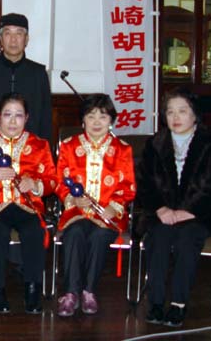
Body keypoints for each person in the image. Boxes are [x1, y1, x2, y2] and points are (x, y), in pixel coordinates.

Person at [138, 87, 211, 328]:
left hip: (198, 215)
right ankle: (156, 303)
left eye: (182, 111)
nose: (175, 117)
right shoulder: (155, 144)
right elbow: (145, 184)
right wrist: (160, 209)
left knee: (187, 239)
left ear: (195, 114)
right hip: (162, 214)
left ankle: (178, 303)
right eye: (170, 112)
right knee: (158, 238)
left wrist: (188, 210)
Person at [0, 93, 57, 314]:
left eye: (19, 115)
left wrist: (35, 184)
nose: (13, 121)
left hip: (27, 206)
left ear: (27, 118)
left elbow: (53, 182)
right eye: (7, 115)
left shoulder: (39, 145)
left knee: (34, 231)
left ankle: (33, 289)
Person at [55, 94, 136, 317]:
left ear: (111, 121)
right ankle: (71, 293)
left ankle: (89, 291)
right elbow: (59, 182)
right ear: (83, 120)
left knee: (99, 236)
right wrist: (72, 199)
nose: (97, 122)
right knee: (75, 233)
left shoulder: (122, 149)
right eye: (91, 116)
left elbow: (128, 186)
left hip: (108, 214)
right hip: (77, 212)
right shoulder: (69, 146)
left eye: (103, 116)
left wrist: (115, 206)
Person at [0, 13, 52, 141]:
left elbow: (46, 119)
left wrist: (43, 148)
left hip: (29, 148)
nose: (13, 40)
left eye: (19, 33)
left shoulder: (38, 73)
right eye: (7, 33)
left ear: (26, 39)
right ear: (0, 39)